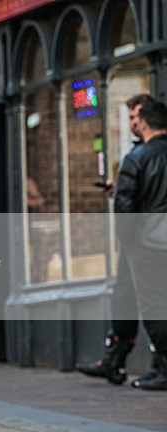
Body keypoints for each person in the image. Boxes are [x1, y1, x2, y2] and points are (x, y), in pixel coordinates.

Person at [78, 93, 155, 386]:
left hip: (150, 238)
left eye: (136, 117)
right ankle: (115, 359)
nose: (134, 123)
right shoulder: (138, 151)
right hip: (136, 238)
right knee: (124, 295)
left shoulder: (154, 151)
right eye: (131, 118)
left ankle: (158, 362)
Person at [114, 100, 167, 391]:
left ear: (144, 123)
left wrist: (130, 242)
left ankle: (165, 367)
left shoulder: (137, 157)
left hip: (150, 245)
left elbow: (125, 207)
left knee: (156, 306)